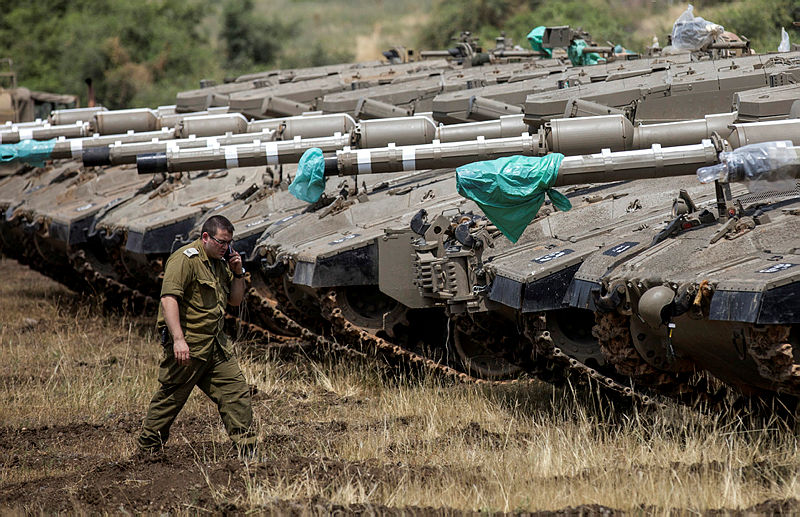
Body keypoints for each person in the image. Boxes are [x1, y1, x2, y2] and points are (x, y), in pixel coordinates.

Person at [137, 215, 257, 457]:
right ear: (205, 237)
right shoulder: (184, 259)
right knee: (170, 398)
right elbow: (168, 298)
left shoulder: (221, 262)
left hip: (216, 345)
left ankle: (248, 452)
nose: (226, 247)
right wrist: (178, 340)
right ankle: (147, 450)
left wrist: (238, 272)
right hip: (189, 345)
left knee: (237, 394)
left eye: (229, 243)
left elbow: (235, 300)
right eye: (221, 242)